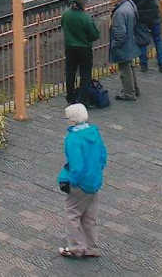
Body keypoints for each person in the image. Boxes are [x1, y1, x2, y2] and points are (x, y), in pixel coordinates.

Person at [57, 103, 107, 259]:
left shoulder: (73, 139)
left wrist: (71, 181)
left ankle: (76, 248)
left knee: (72, 214)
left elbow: (76, 166)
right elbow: (103, 157)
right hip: (95, 181)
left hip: (80, 184)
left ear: (72, 120)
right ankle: (91, 247)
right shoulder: (94, 133)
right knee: (89, 216)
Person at [62, 0, 100, 105]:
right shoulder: (86, 17)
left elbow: (63, 25)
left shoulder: (66, 14)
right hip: (84, 48)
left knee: (70, 72)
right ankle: (83, 99)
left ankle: (70, 97)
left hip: (69, 48)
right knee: (85, 74)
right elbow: (94, 35)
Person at [128, 0, 162, 73]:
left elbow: (131, 4)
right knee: (158, 40)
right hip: (154, 17)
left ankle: (144, 65)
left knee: (142, 42)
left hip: (141, 19)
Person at [109, 0, 140, 101]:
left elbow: (120, 33)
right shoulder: (130, 4)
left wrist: (114, 45)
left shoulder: (119, 13)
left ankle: (129, 93)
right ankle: (134, 89)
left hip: (123, 45)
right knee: (130, 67)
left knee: (124, 70)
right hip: (131, 40)